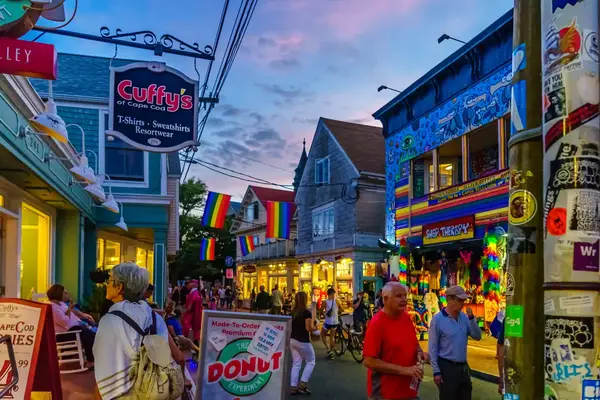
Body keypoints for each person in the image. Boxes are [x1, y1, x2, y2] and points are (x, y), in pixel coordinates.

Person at [93, 262, 183, 399]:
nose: (107, 284)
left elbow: (103, 374)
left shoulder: (110, 321)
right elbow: (179, 358)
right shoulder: (155, 318)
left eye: (110, 280)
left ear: (120, 288)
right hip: (155, 391)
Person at [363, 282, 429, 400]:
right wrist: (404, 370)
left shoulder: (406, 317)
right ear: (386, 299)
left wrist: (419, 353)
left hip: (409, 391)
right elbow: (369, 361)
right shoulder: (377, 323)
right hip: (385, 394)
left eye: (405, 295)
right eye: (399, 296)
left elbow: (414, 344)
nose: (404, 299)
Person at [428, 285, 482, 400]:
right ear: (449, 299)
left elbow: (477, 336)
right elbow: (433, 347)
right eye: (459, 300)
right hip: (447, 366)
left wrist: (472, 319)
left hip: (463, 367)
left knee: (465, 395)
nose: (462, 303)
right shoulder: (437, 320)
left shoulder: (464, 318)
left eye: (463, 300)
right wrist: (436, 371)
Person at [47, 284, 96, 369]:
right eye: (65, 293)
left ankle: (93, 358)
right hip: (62, 334)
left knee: (90, 331)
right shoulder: (52, 307)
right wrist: (69, 308)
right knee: (86, 332)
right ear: (59, 294)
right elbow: (64, 321)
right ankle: (90, 361)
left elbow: (71, 314)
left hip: (71, 328)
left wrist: (82, 317)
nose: (67, 294)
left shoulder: (61, 304)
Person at [290, 291, 317, 395]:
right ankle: (302, 384)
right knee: (311, 361)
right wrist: (315, 328)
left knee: (296, 363)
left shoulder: (293, 312)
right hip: (303, 340)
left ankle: (293, 387)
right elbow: (308, 328)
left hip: (293, 340)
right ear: (305, 300)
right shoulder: (306, 312)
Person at [321, 288, 341, 360]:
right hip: (335, 322)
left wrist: (323, 313)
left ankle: (328, 349)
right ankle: (331, 352)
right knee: (332, 337)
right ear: (333, 294)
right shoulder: (337, 301)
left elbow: (320, 310)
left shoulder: (324, 302)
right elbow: (342, 310)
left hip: (327, 322)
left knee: (322, 334)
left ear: (327, 294)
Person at [182, 279, 203, 346]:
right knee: (195, 329)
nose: (188, 284)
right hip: (195, 313)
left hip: (192, 313)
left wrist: (186, 310)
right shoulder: (196, 293)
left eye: (190, 283)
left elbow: (190, 305)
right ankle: (195, 342)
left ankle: (188, 342)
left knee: (188, 326)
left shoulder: (194, 293)